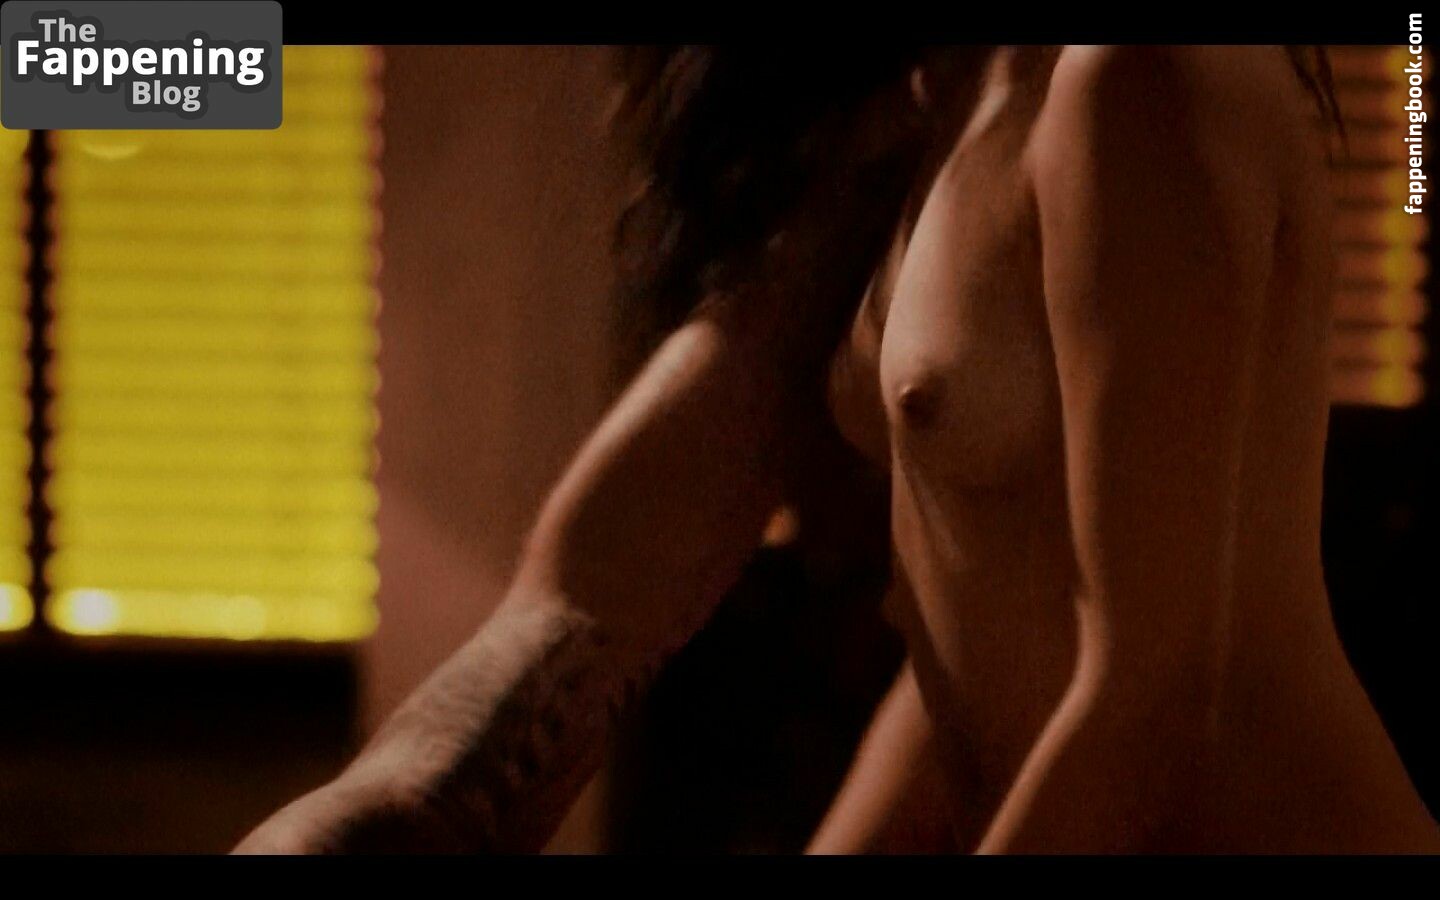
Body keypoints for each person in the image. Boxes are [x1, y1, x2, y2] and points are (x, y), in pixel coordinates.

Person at [235, 45, 1440, 854]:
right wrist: (385, 799)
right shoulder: (935, 102)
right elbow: (983, 616)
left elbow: (1159, 692)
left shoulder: (1139, 77)